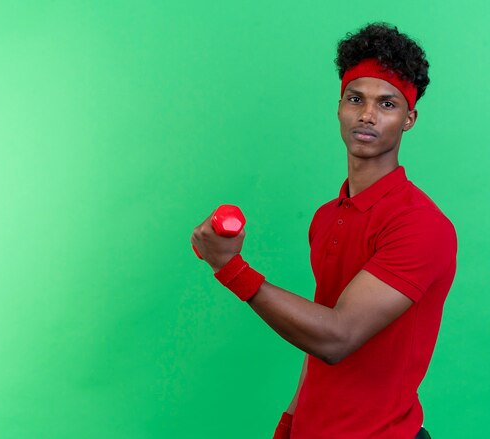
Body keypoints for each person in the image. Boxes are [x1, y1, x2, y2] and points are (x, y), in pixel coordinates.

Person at [191, 22, 457, 439]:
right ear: (339, 107)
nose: (367, 115)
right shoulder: (326, 217)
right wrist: (290, 422)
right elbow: (316, 336)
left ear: (410, 118)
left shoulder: (421, 225)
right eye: (356, 99)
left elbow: (338, 337)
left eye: (387, 104)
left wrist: (232, 270)